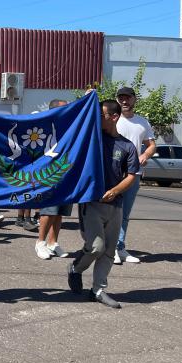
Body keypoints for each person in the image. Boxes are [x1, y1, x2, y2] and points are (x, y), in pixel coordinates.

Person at [68, 99, 140, 308]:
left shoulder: (127, 146)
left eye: (101, 115)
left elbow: (131, 175)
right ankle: (75, 269)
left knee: (109, 250)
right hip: (91, 203)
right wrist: (87, 97)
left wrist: (115, 191)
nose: (97, 118)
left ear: (114, 117)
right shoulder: (92, 139)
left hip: (115, 205)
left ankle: (98, 290)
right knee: (96, 247)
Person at [114, 86, 155, 264]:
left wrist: (145, 154)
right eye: (121, 98)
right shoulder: (112, 119)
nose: (124, 101)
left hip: (133, 173)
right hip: (113, 173)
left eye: (127, 97)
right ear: (117, 100)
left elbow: (152, 145)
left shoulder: (143, 122)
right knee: (111, 210)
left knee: (124, 213)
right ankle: (110, 248)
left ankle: (119, 247)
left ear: (134, 99)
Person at [35, 99, 72, 260]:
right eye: (65, 108)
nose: (68, 111)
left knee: (59, 212)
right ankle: (40, 242)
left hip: (65, 173)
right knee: (49, 210)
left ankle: (52, 242)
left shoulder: (69, 126)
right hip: (48, 173)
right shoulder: (44, 125)